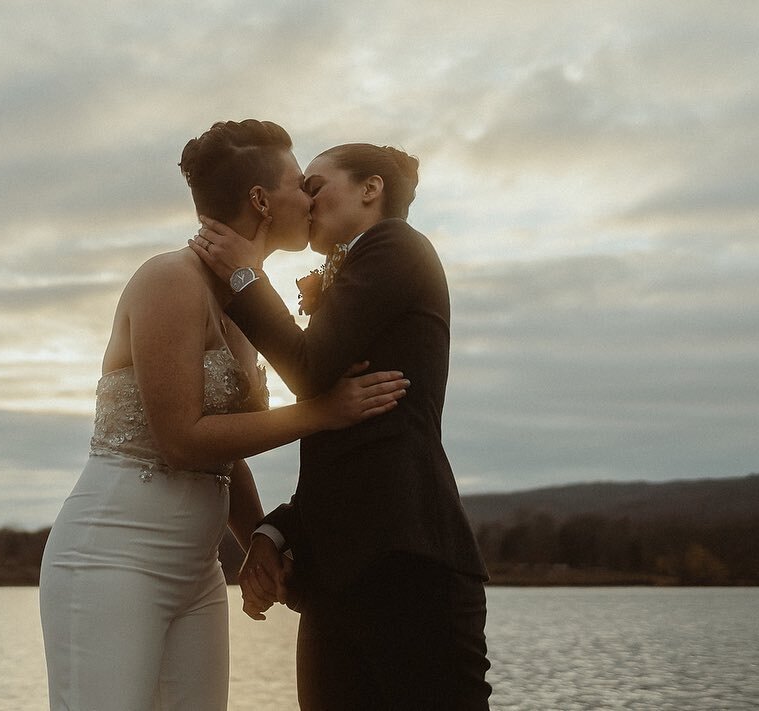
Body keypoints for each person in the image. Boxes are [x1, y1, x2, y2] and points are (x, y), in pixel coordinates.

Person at [38, 121, 409, 711]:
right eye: (299, 184)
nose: (311, 198)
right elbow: (183, 440)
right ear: (261, 200)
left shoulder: (239, 304)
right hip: (112, 559)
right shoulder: (169, 279)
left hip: (197, 572)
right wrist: (323, 412)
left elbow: (223, 452)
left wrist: (258, 541)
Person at [190, 142, 493, 709]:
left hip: (409, 567)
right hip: (336, 583)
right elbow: (342, 444)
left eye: (315, 184)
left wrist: (243, 278)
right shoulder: (355, 275)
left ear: (370, 189)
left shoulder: (396, 245)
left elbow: (309, 371)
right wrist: (274, 531)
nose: (305, 199)